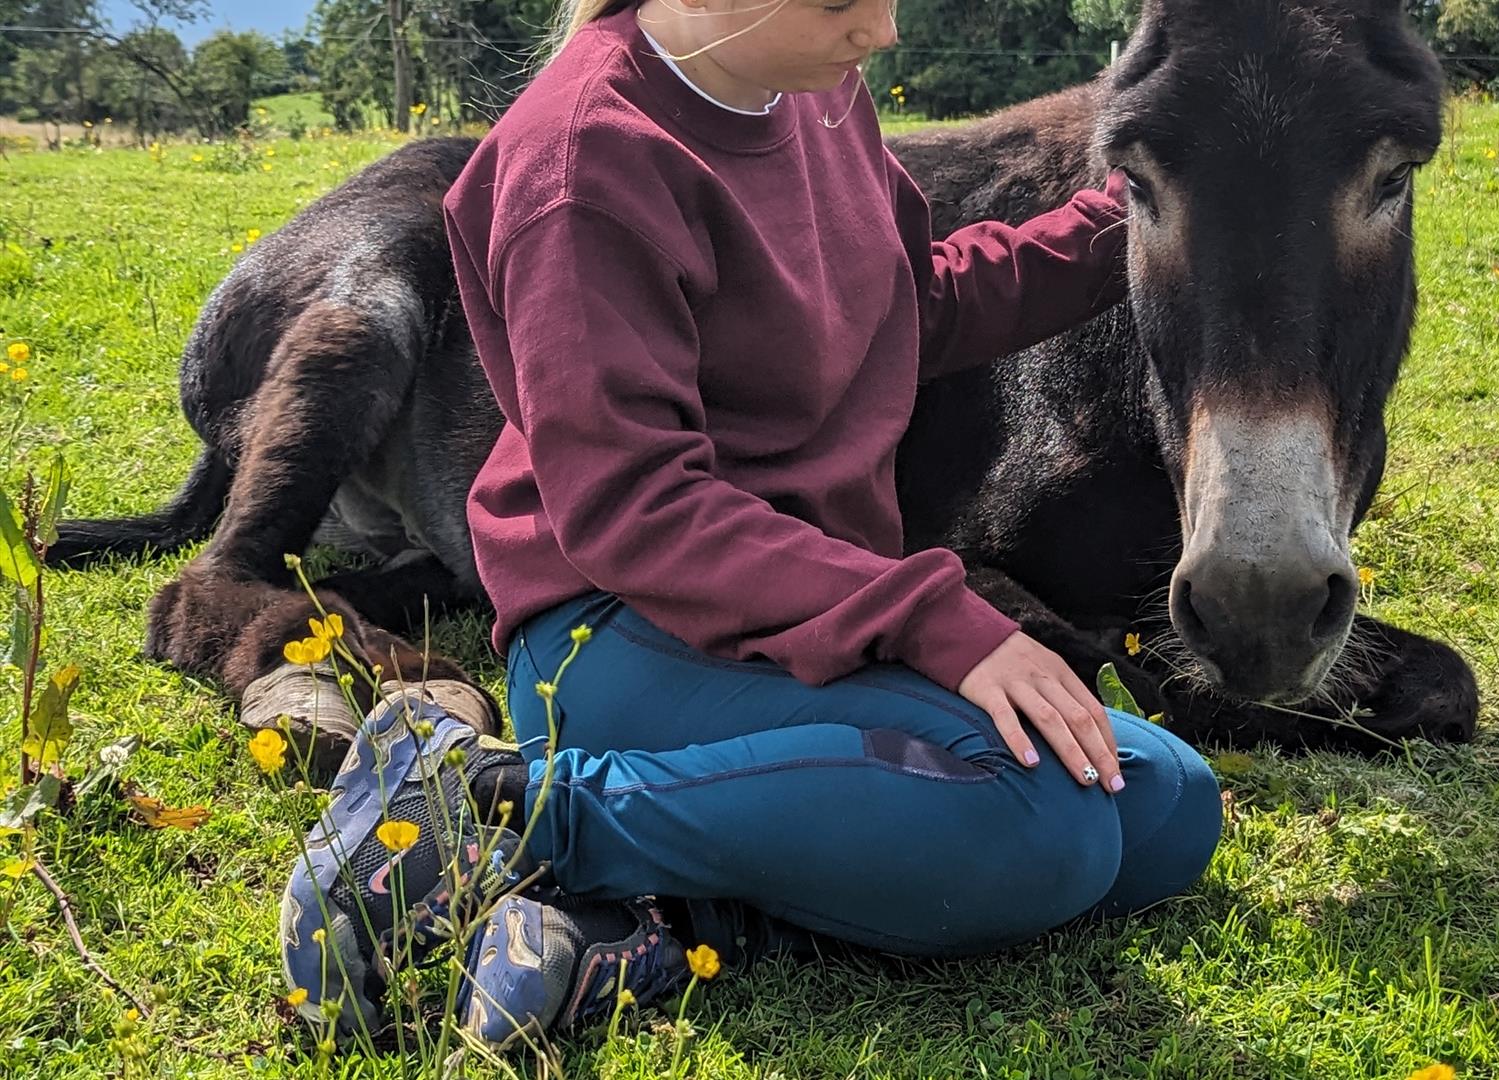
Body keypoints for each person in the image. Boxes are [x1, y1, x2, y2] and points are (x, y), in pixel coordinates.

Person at [277, 0, 1223, 1049]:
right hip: (623, 629)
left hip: (801, 611)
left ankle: (655, 922)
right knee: (1045, 827)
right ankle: (486, 807)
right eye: (840, 2)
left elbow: (905, 303)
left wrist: (1129, 215)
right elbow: (638, 513)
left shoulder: (811, 91)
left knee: (1168, 806)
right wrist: (936, 621)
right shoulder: (582, 167)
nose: (882, 32)